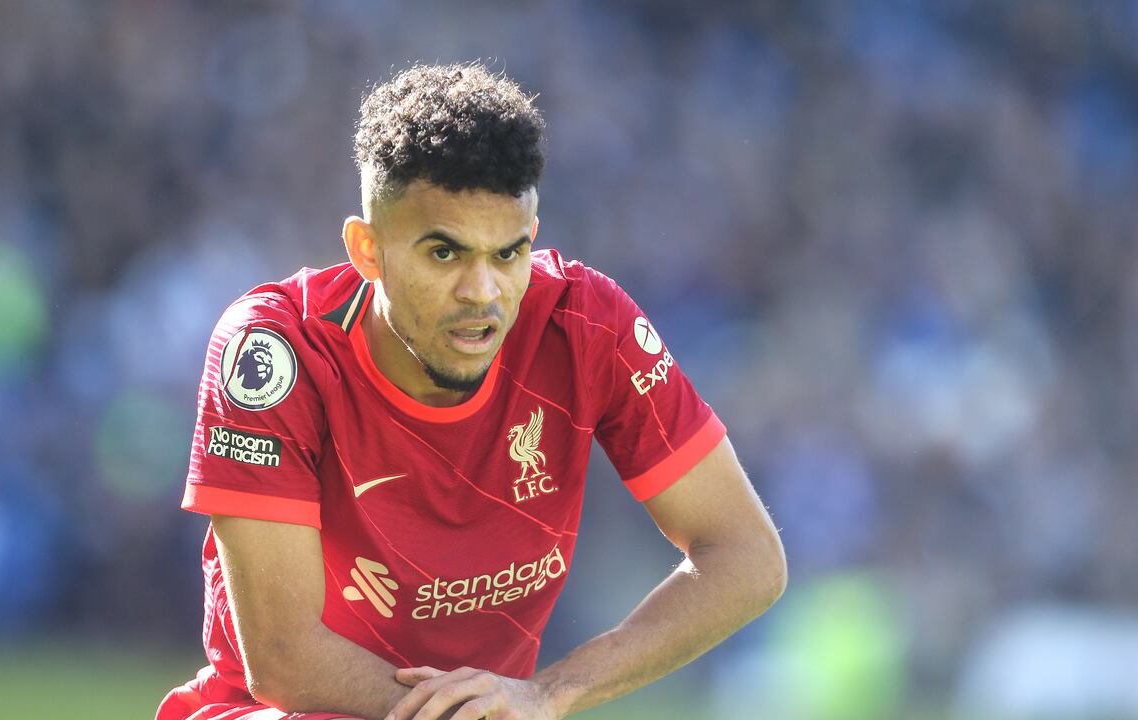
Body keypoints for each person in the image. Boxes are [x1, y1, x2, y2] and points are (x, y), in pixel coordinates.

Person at [156, 62, 786, 720]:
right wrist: (475, 715)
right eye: (444, 254)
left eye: (508, 254)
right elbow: (284, 657)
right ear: (368, 249)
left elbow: (745, 553)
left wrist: (549, 691)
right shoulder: (275, 353)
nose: (482, 294)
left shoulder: (586, 326)